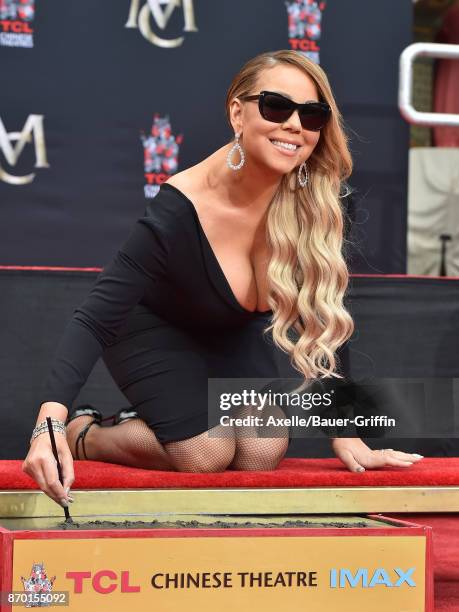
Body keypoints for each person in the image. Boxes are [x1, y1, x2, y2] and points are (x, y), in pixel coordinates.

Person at [22, 50, 424, 509]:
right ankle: (87, 434)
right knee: (206, 452)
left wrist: (347, 431)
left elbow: (326, 309)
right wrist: (48, 421)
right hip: (152, 328)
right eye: (276, 107)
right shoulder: (181, 206)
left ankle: (162, 421)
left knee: (260, 449)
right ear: (238, 112)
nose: (295, 125)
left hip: (231, 329)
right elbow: (94, 319)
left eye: (312, 115)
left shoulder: (320, 200)